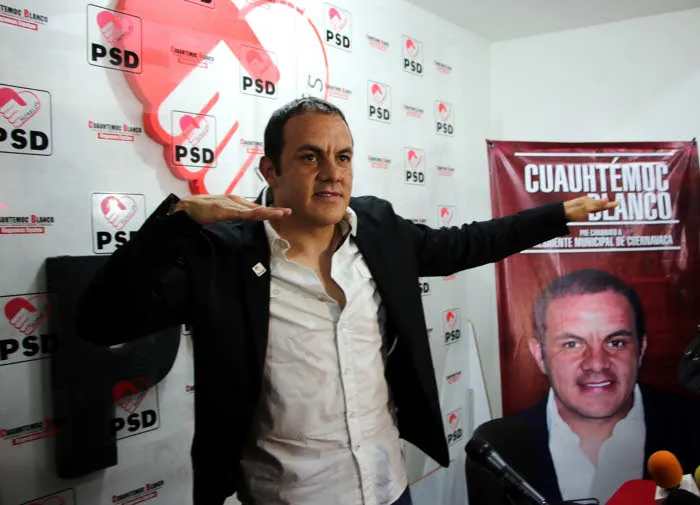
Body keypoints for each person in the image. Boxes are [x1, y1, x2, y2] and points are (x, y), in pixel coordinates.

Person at [76, 97, 615, 505]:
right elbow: (100, 321)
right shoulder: (219, 256)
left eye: (343, 157)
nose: (333, 173)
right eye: (310, 157)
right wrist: (177, 221)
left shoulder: (378, 227)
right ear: (270, 170)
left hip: (387, 486)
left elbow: (464, 244)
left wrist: (556, 215)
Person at [466, 269, 700, 505]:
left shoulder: (694, 426)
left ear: (641, 349)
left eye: (616, 342)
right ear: (539, 355)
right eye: (572, 344)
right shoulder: (496, 448)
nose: (597, 363)